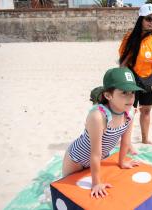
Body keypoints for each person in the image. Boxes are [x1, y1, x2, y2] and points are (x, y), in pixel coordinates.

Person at [62, 67, 143, 198]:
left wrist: (122, 162)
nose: (130, 98)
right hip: (76, 160)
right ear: (108, 95)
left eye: (132, 92)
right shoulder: (98, 116)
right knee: (70, 195)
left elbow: (125, 141)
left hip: (99, 160)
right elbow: (95, 153)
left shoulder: (130, 112)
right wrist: (96, 183)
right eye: (124, 92)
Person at [118, 3, 152, 148]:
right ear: (141, 19)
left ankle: (145, 139)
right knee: (130, 112)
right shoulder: (130, 37)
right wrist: (123, 83)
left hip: (149, 79)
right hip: (132, 79)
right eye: (148, 19)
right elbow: (123, 62)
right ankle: (126, 142)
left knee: (146, 110)